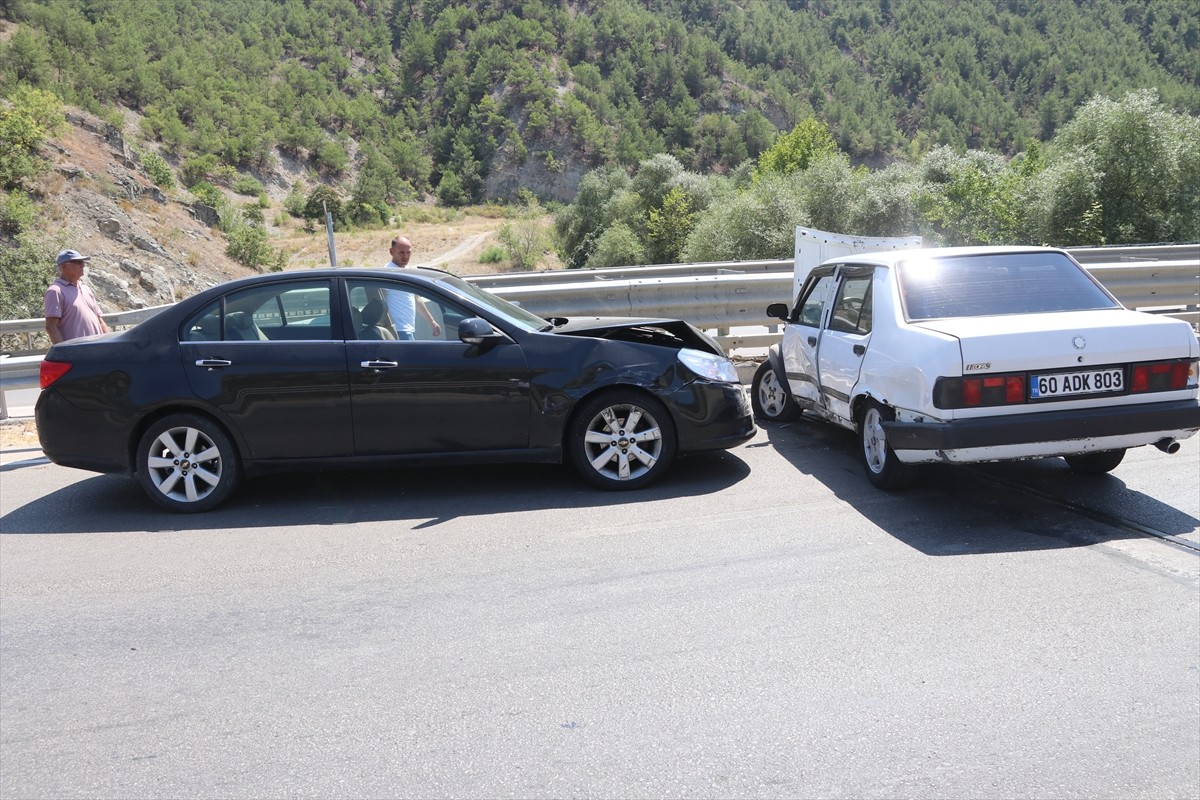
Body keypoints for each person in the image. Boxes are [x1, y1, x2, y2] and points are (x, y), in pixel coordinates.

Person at [44, 249, 109, 344]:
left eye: (82, 262)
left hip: (97, 347)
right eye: (77, 262)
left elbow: (100, 321)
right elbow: (51, 327)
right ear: (63, 266)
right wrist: (64, 350)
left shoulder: (86, 289)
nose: (82, 265)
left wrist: (110, 343)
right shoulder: (55, 291)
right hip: (77, 350)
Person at [383, 235, 440, 339]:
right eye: (401, 252)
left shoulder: (407, 271)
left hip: (408, 328)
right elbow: (383, 299)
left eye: (408, 252)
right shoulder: (388, 272)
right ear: (392, 252)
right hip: (399, 330)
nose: (405, 256)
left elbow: (416, 298)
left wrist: (432, 321)